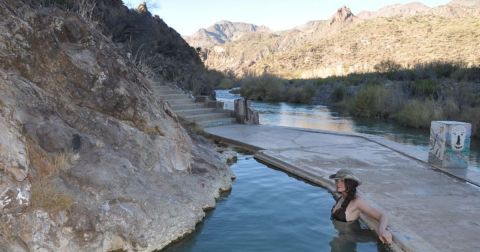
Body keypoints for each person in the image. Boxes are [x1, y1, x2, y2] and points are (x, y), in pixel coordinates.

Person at [330, 168, 393, 245]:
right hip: (340, 236)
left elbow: (383, 215)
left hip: (348, 240)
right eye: (337, 181)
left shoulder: (357, 202)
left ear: (350, 183)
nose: (338, 184)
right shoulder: (342, 198)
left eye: (342, 181)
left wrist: (382, 230)